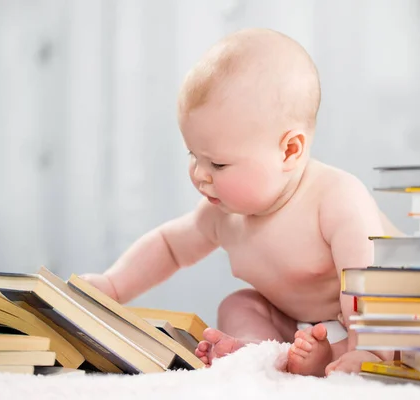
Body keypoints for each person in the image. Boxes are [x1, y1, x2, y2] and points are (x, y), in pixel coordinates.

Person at [81, 27, 400, 377]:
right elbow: (170, 246)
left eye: (217, 163)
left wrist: (369, 348)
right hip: (304, 324)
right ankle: (259, 351)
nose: (200, 174)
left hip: (384, 317)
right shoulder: (223, 215)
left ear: (289, 150)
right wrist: (112, 286)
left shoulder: (336, 197)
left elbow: (370, 282)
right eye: (193, 155)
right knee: (239, 303)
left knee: (393, 329)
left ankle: (340, 353)